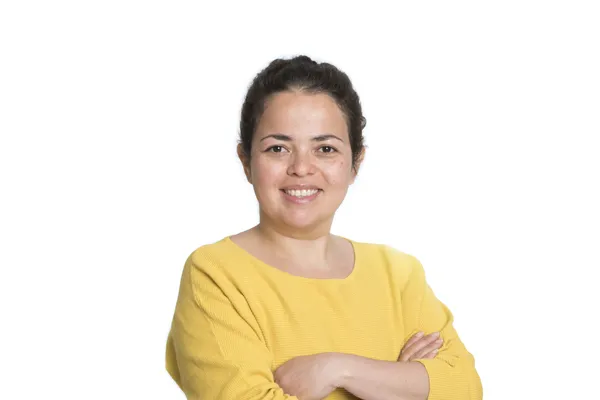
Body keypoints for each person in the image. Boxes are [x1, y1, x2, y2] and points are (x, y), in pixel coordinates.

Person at [165, 55, 483, 400]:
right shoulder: (216, 276)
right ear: (246, 161)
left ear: (355, 163)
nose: (301, 167)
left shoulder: (399, 275)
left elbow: (465, 388)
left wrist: (337, 369)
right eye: (278, 148)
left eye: (325, 148)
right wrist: (401, 383)